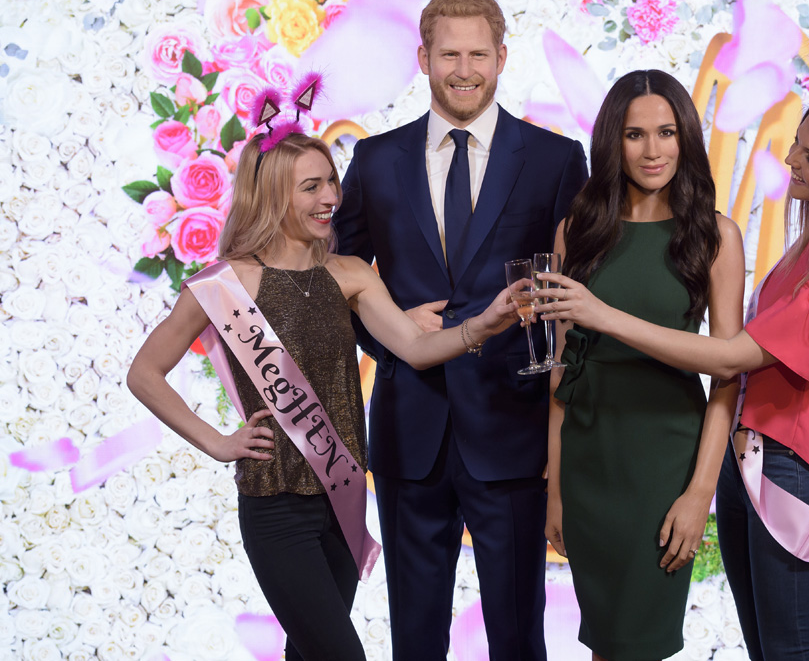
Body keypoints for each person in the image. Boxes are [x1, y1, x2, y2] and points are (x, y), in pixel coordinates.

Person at [127, 131, 519, 661]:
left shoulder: (351, 274)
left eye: (330, 181)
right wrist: (218, 443)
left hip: (342, 499)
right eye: (310, 187)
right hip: (276, 506)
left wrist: (484, 324)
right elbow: (145, 372)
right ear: (271, 196)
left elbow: (417, 348)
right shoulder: (226, 284)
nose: (330, 197)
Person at [537, 99, 809, 660]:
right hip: (755, 459)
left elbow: (730, 358)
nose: (791, 158)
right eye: (797, 144)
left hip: (795, 471)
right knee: (769, 646)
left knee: (792, 649)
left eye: (807, 153)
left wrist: (601, 314)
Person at [332, 0, 588, 659]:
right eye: (449, 53)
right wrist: (390, 331)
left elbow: (577, 290)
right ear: (422, 58)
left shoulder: (556, 161)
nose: (464, 68)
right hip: (408, 429)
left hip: (512, 426)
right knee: (413, 636)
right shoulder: (376, 160)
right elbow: (338, 277)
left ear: (502, 57)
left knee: (517, 634)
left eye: (479, 53)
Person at [541, 69, 745, 660]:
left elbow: (728, 374)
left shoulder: (713, 236)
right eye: (635, 135)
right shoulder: (576, 231)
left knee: (642, 644)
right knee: (606, 643)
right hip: (587, 462)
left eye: (666, 132)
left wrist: (699, 491)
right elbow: (562, 367)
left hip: (664, 464)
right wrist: (555, 486)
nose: (653, 150)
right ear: (612, 141)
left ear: (686, 139)